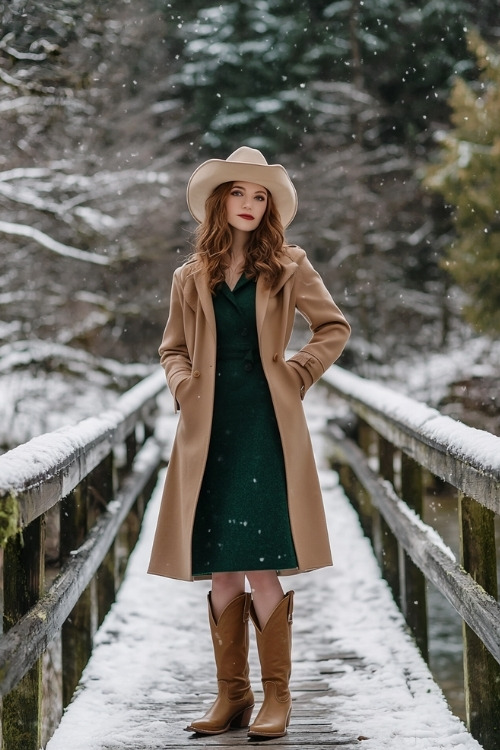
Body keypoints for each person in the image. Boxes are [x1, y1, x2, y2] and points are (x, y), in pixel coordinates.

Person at [148, 146, 351, 738]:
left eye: (260, 196)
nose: (249, 205)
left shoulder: (289, 265)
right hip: (207, 432)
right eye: (239, 193)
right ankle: (231, 696)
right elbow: (172, 348)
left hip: (265, 428)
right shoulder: (191, 277)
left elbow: (334, 327)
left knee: (263, 567)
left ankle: (277, 699)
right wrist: (184, 385)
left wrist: (299, 372)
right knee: (220, 571)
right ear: (220, 201)